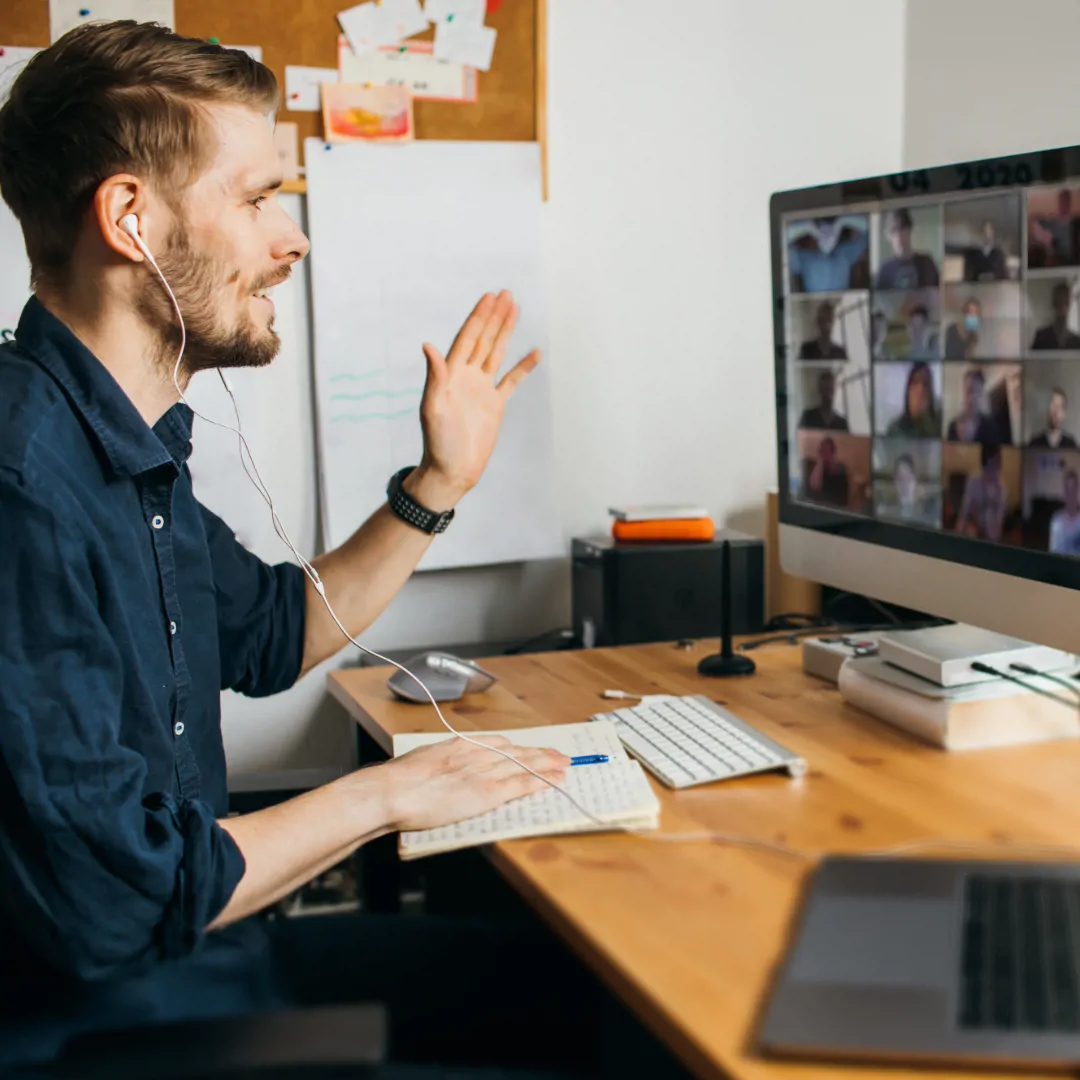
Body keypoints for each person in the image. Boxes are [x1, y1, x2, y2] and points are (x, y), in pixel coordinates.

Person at [0, 22, 601, 1076]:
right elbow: (112, 908)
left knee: (583, 998)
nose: (294, 239)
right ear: (129, 218)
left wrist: (438, 485)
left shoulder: (125, 449)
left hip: (202, 964)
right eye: (258, 198)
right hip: (94, 1034)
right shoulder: (21, 485)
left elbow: (275, 631)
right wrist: (387, 796)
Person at [788, 215, 869, 293]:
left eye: (830, 232)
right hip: (815, 305)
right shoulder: (805, 259)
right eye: (823, 233)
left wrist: (841, 222)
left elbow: (870, 229)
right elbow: (781, 239)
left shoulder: (845, 254)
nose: (827, 237)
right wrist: (809, 228)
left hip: (840, 304)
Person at [875, 208, 940, 290]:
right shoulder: (885, 270)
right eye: (893, 231)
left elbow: (936, 296)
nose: (898, 236)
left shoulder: (926, 263)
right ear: (888, 236)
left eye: (902, 229)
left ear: (909, 230)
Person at [955, 444, 1008, 542]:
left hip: (991, 535)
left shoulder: (1002, 489)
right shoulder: (973, 482)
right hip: (973, 530)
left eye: (997, 466)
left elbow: (999, 526)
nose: (994, 472)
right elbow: (964, 513)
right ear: (984, 465)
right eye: (990, 466)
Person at [877, 452, 939, 526]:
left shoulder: (930, 506)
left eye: (908, 478)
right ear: (894, 481)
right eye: (900, 478)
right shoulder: (885, 509)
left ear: (915, 480)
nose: (904, 484)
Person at [886, 361, 941, 438]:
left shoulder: (939, 427)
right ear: (907, 392)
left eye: (925, 384)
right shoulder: (895, 430)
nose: (920, 390)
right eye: (915, 382)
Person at [946, 369, 1000, 443]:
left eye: (977, 392)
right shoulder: (953, 426)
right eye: (969, 390)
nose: (972, 397)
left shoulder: (991, 426)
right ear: (963, 392)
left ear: (981, 395)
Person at [1030, 188, 1078, 268]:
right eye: (1062, 201)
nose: (1064, 204)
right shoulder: (1051, 222)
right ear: (1059, 203)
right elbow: (1034, 222)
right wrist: (1050, 241)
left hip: (1070, 261)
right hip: (1055, 261)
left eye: (1067, 201)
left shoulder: (1075, 223)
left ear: (1070, 203)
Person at [1031, 282, 1080, 350]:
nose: (1062, 308)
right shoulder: (1041, 337)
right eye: (1059, 303)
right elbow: (1032, 360)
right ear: (1053, 303)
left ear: (1069, 304)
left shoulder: (1076, 341)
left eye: (1065, 302)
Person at [804, 436, 849, 508]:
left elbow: (842, 500)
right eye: (821, 451)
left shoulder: (840, 469)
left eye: (826, 451)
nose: (824, 454)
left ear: (833, 453)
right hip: (815, 505)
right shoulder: (815, 466)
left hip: (833, 506)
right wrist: (820, 462)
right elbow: (814, 486)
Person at [1049, 470, 1080, 555]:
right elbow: (1053, 554)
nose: (1071, 495)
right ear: (1064, 493)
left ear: (1077, 491)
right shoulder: (1056, 522)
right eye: (1068, 490)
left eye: (1073, 490)